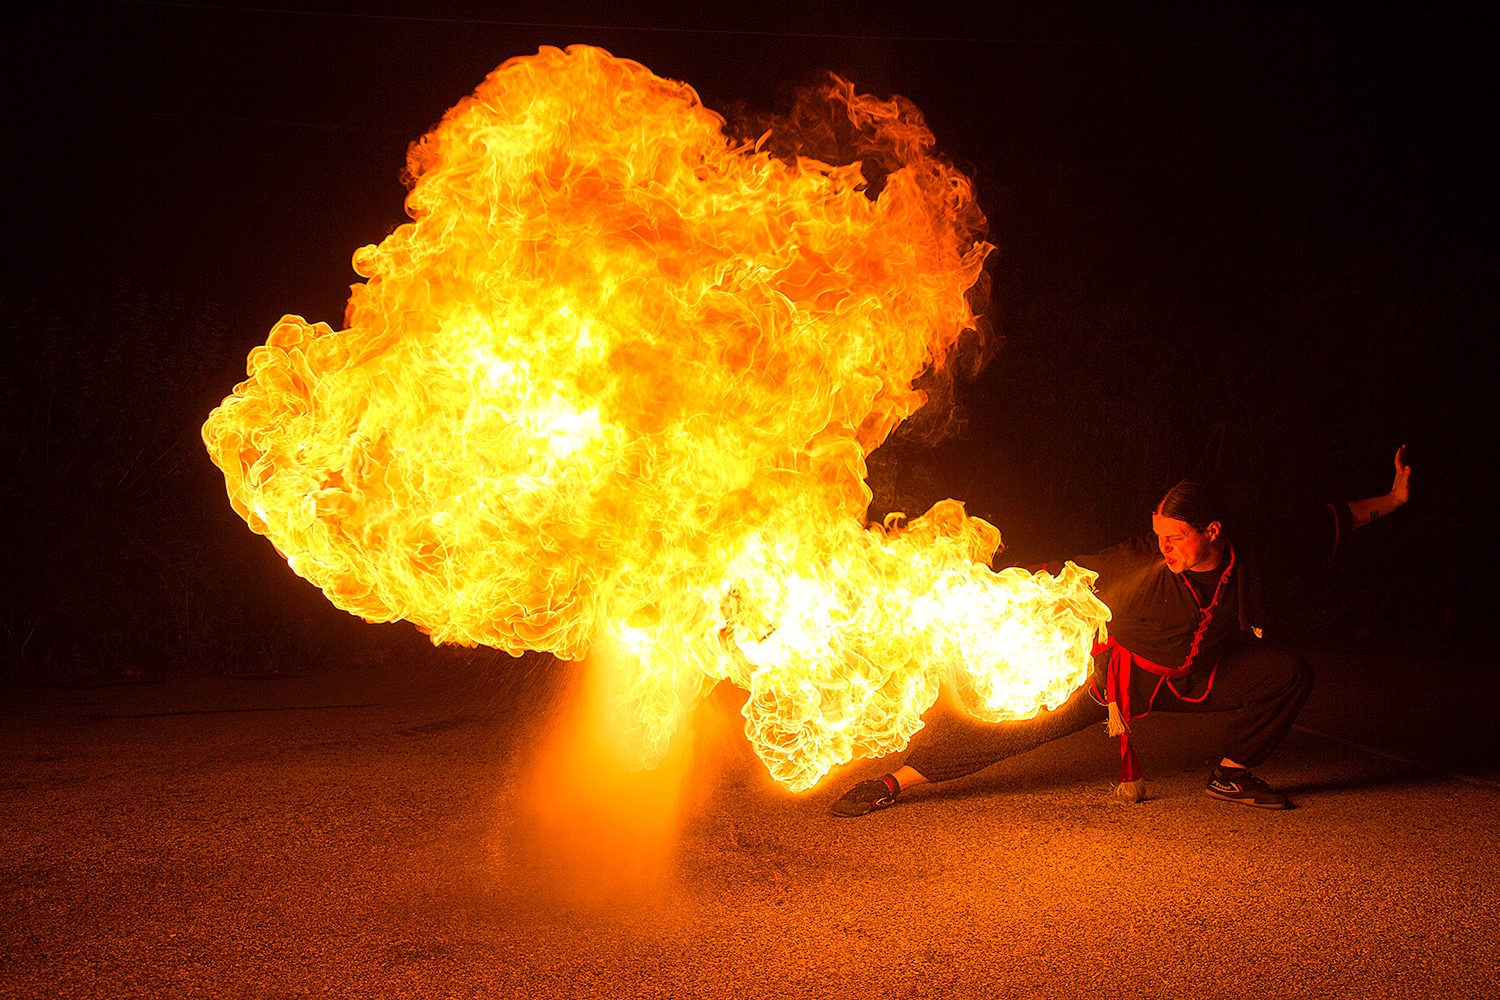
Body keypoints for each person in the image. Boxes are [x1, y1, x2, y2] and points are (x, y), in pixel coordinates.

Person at [832, 447, 1412, 815]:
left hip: (1202, 675)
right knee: (1010, 729)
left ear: (1212, 531)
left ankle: (1232, 775)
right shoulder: (1139, 560)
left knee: (1288, 675)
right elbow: (1059, 580)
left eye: (1176, 537)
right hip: (1119, 678)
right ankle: (895, 781)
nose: (1165, 549)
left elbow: (1330, 522)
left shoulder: (1254, 551)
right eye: (1158, 535)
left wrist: (1392, 498)